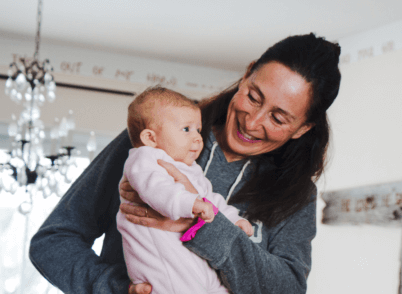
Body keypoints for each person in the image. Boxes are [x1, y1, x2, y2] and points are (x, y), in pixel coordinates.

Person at [29, 33, 342, 294]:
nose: (253, 121)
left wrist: (204, 225)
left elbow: (287, 289)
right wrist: (111, 288)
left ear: (303, 128)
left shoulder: (297, 195)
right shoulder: (153, 141)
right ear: (246, 74)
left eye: (277, 117)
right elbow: (53, 242)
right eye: (253, 96)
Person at [117, 86, 253, 294]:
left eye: (198, 130)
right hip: (162, 263)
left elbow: (212, 201)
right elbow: (157, 190)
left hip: (192, 262)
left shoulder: (191, 170)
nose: (198, 138)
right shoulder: (145, 158)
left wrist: (234, 220)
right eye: (186, 129)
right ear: (150, 138)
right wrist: (190, 204)